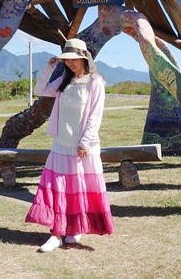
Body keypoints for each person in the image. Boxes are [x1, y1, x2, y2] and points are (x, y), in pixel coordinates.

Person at [25, 38, 115, 252]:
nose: (69, 63)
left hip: (83, 147)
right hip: (61, 144)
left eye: (73, 59)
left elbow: (95, 115)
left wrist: (84, 142)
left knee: (80, 189)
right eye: (66, 60)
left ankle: (75, 228)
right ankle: (56, 234)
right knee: (58, 189)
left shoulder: (95, 82)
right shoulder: (65, 81)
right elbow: (40, 90)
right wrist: (50, 66)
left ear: (84, 58)